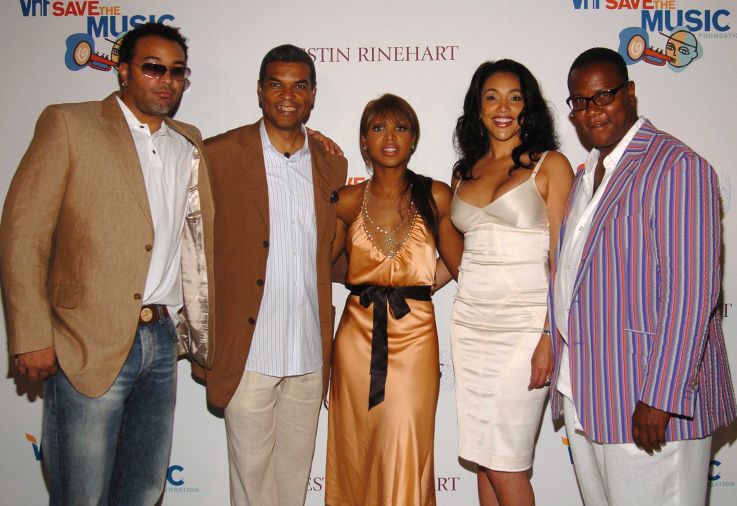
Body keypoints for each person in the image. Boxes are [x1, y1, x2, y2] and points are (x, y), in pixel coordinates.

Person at [0, 22, 213, 504]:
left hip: (161, 339)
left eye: (177, 71)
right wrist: (31, 334)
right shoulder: (69, 124)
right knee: (82, 494)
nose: (167, 80)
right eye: (153, 68)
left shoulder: (190, 142)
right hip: (86, 340)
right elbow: (24, 234)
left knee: (143, 489)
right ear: (123, 71)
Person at [550, 47, 737, 505]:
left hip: (645, 398)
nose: (593, 110)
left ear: (630, 93)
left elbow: (691, 293)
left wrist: (661, 397)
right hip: (586, 390)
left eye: (604, 95)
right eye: (580, 101)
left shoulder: (677, 166)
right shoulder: (588, 173)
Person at [196, 44, 347, 506]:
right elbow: (194, 249)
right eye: (276, 84)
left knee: (292, 481)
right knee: (252, 485)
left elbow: (331, 250)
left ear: (313, 94)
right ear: (260, 91)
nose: (288, 95)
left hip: (307, 348)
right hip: (248, 350)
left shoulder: (331, 163)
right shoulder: (219, 155)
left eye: (299, 85)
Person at [325, 93, 462, 506]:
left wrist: (423, 285)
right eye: (378, 127)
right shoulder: (346, 200)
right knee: (357, 444)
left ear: (413, 139)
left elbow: (461, 262)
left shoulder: (436, 195)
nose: (389, 137)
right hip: (355, 340)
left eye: (400, 128)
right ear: (363, 140)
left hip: (415, 339)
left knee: (406, 441)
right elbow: (319, 265)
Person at [448, 59, 574, 506]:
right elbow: (461, 255)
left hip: (525, 329)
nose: (503, 108)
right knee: (484, 459)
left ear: (528, 106)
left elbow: (564, 261)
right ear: (477, 108)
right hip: (470, 327)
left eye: (514, 97)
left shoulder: (551, 165)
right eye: (492, 97)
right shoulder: (464, 171)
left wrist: (549, 334)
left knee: (506, 464)